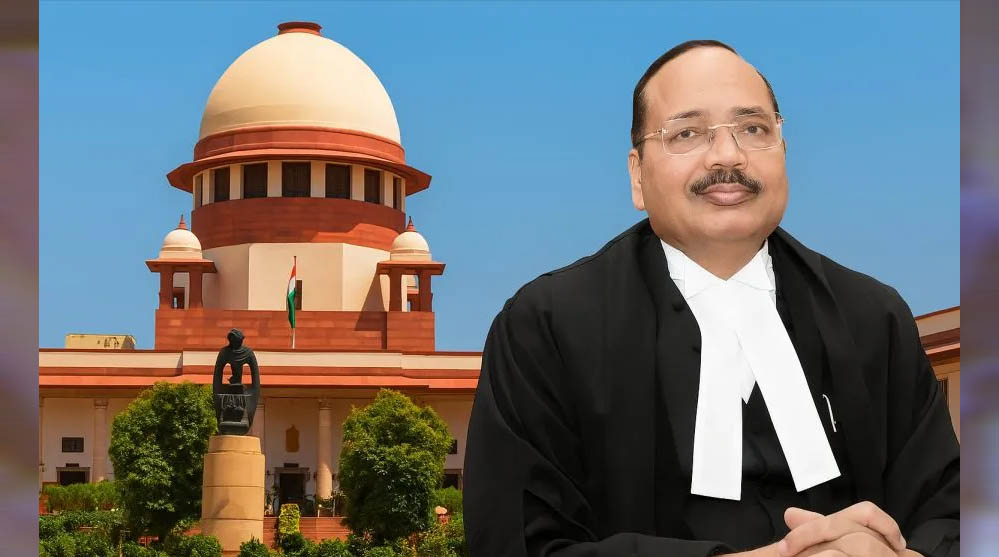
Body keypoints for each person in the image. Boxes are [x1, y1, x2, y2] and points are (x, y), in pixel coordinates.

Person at [463, 40, 959, 557]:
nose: (728, 155)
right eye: (687, 133)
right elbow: (516, 542)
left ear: (784, 152)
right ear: (637, 175)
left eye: (754, 129)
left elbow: (952, 514)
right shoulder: (546, 326)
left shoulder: (873, 317)